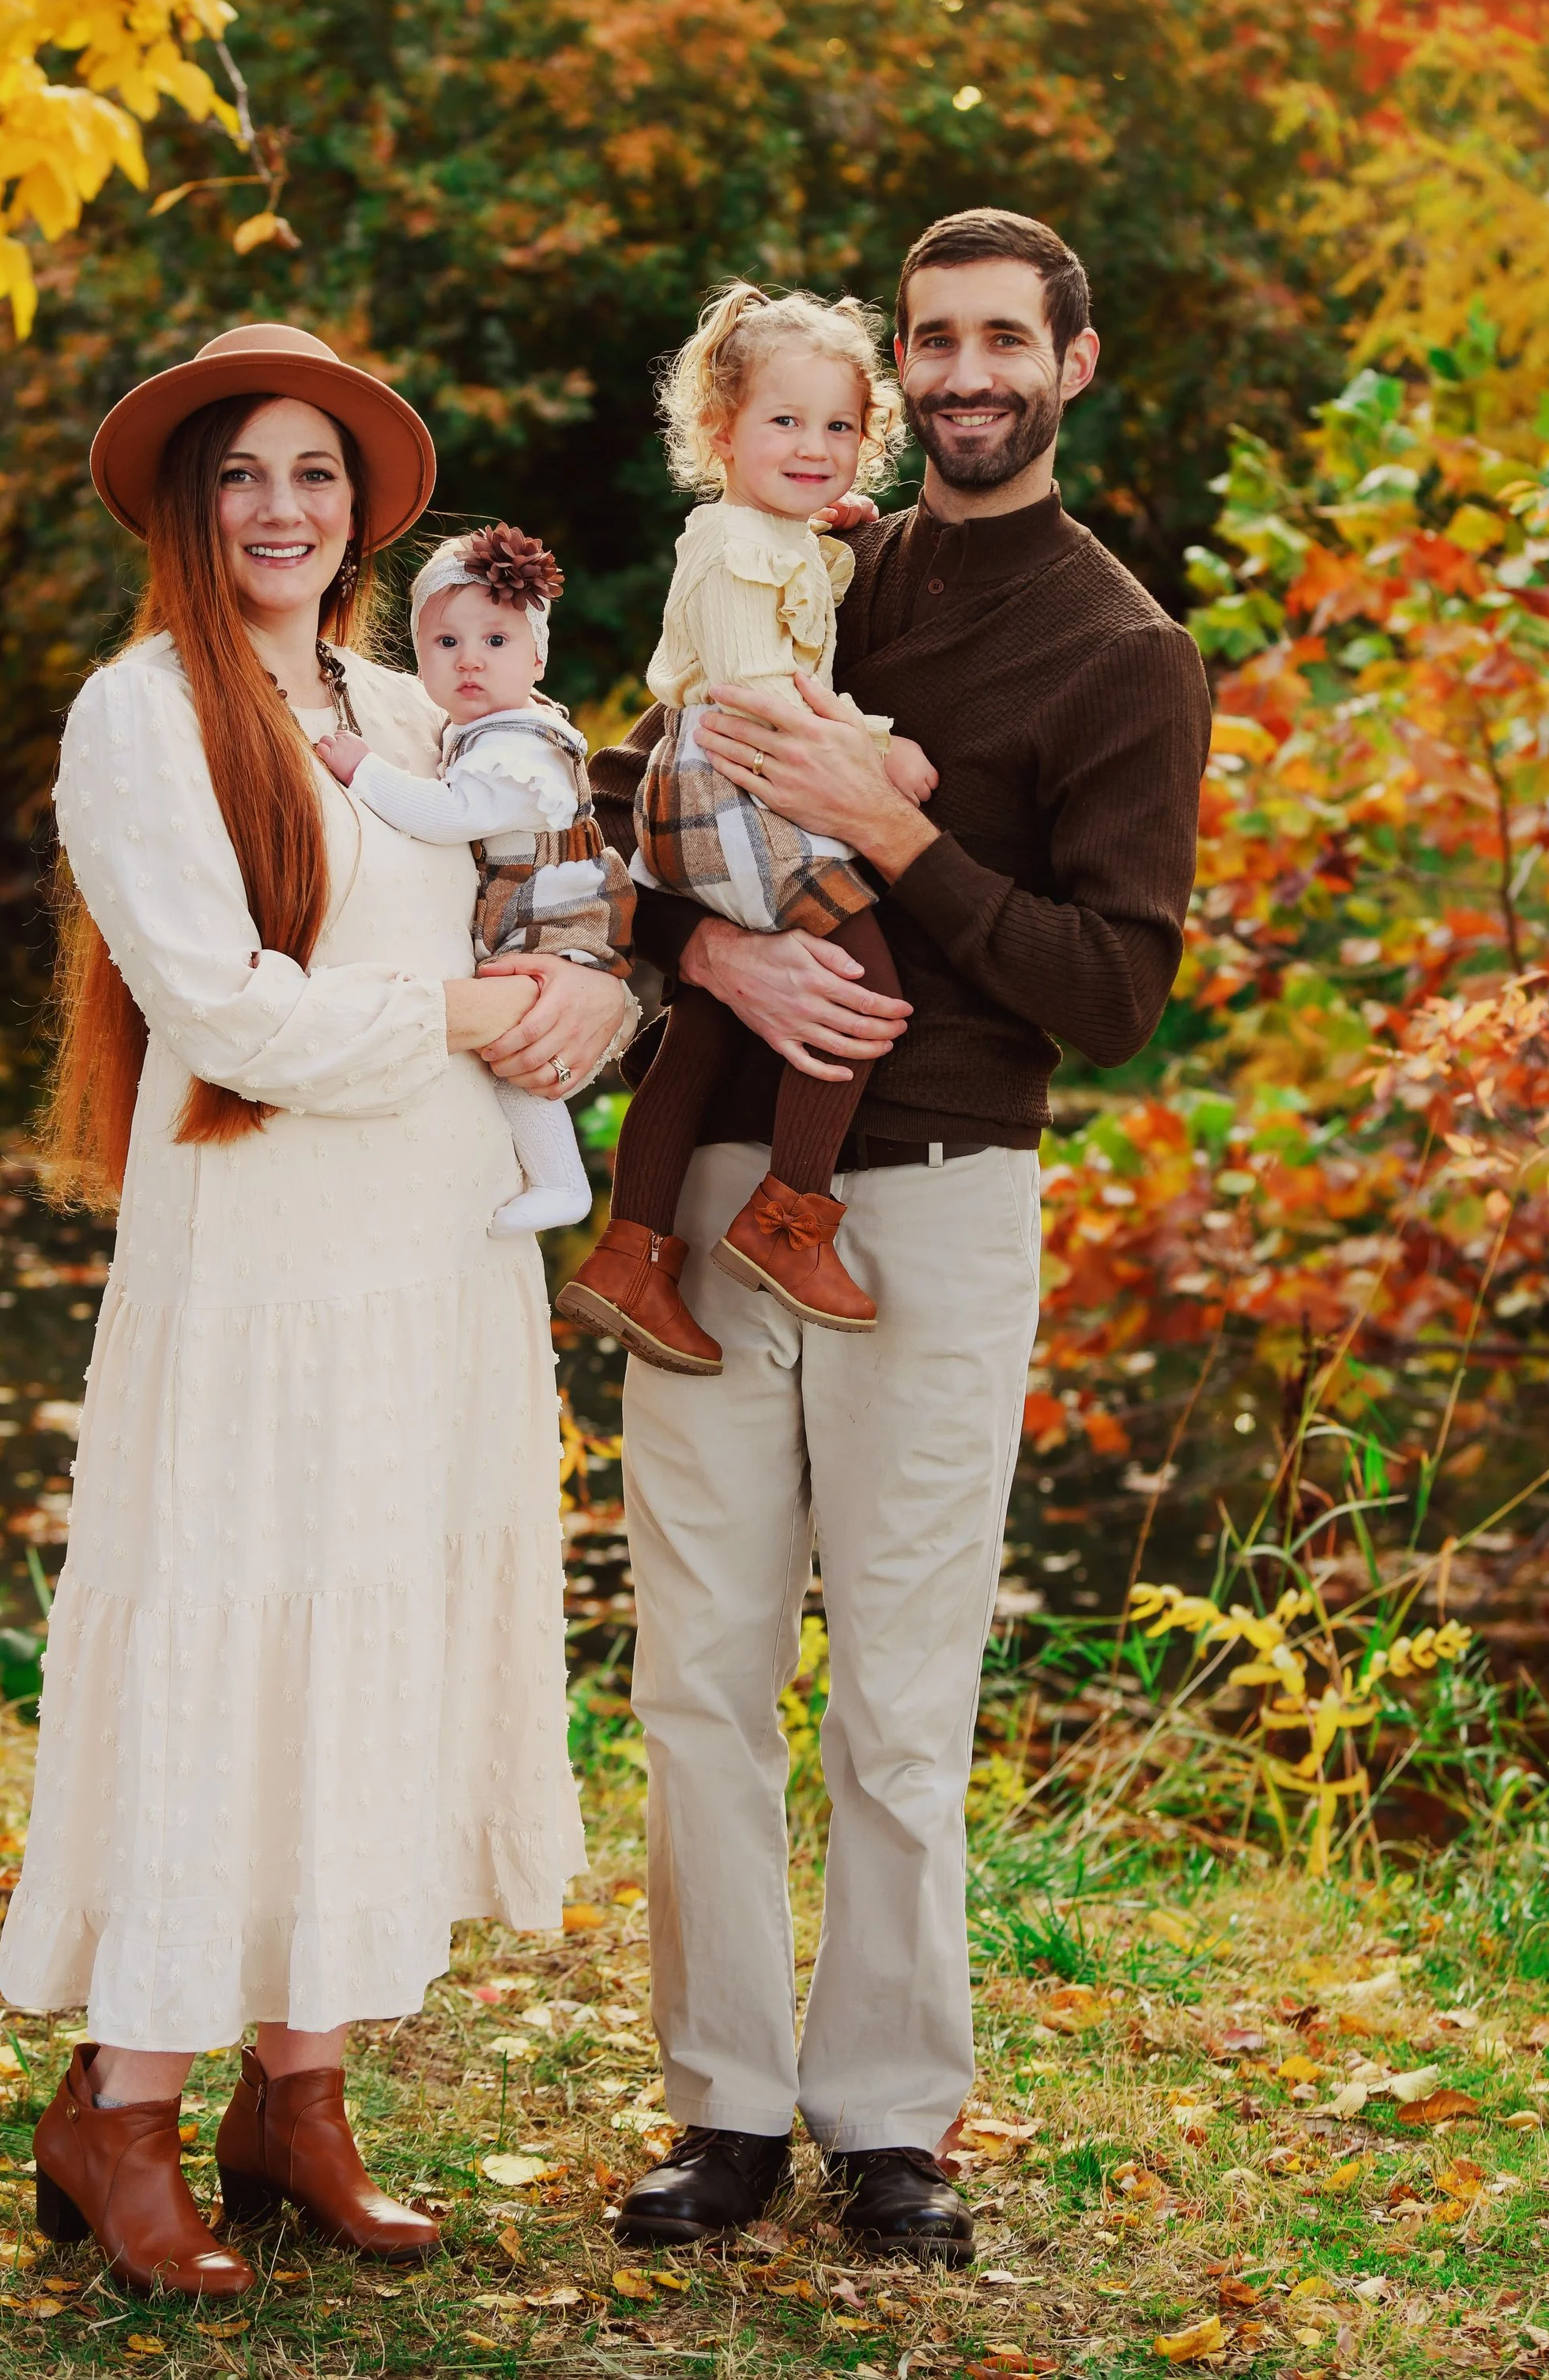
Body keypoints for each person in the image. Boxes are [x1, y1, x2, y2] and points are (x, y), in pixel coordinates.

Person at [587, 211, 1212, 2262]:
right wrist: (719, 959)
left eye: (998, 340)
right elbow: (624, 806)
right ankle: (722, 2104)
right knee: (696, 1670)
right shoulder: (802, 556)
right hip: (697, 1196)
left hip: (932, 1211)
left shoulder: (1123, 652)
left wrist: (894, 833)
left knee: (896, 1696)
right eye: (929, 336)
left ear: (1070, 365)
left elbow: (1107, 989)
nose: (958, 371)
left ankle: (882, 2118)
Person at [0, 322, 635, 2301]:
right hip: (261, 1252)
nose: (284, 508)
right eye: (245, 474)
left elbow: (543, 897)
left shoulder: (409, 696)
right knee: (236, 1625)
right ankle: (124, 2099)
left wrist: (592, 997)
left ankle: (305, 2095)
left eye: (315, 475)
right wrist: (458, 1014)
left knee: (376, 1630)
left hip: (437, 1247)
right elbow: (227, 1005)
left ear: (359, 511)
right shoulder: (139, 711)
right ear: (191, 509)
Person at [556, 285, 939, 1368]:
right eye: (785, 422)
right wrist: (875, 747)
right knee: (863, 986)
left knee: (711, 1022)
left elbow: (792, 595)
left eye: (839, 426)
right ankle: (788, 1219)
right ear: (722, 435)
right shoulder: (730, 548)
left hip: (716, 798)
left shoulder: (768, 536)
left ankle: (631, 1254)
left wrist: (829, 534)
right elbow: (757, 687)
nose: (815, 446)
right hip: (731, 792)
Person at [315, 519, 634, 1237]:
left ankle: (563, 1183)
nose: (469, 661)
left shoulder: (518, 745)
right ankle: (557, 1178)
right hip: (544, 906)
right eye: (446, 642)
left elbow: (447, 814)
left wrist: (363, 770)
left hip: (554, 915)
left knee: (515, 1051)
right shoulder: (486, 729)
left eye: (496, 641)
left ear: (537, 656)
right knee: (514, 1048)